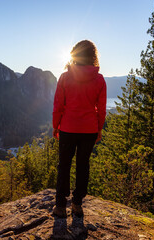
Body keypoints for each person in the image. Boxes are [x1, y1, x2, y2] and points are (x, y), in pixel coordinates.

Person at [52, 40, 106, 218]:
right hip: (89, 130)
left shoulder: (65, 77)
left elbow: (58, 105)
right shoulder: (99, 80)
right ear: (93, 57)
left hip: (67, 128)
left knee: (64, 166)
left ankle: (60, 206)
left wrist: (56, 126)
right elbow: (102, 108)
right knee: (83, 166)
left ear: (75, 54)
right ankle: (77, 204)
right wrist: (98, 129)